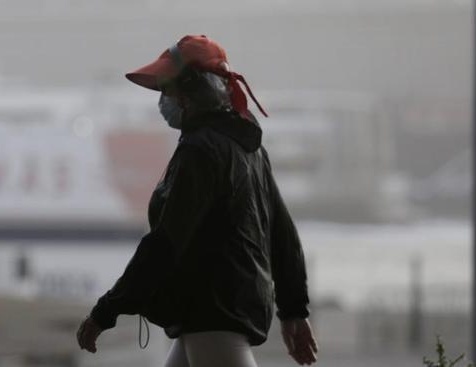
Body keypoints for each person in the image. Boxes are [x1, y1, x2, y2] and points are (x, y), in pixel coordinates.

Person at [76, 35, 317, 366]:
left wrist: (106, 311)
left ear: (190, 92)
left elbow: (165, 242)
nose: (162, 99)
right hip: (214, 313)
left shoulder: (200, 150)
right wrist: (293, 311)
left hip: (213, 313)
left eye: (167, 89)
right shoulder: (249, 148)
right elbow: (283, 236)